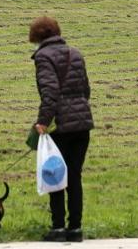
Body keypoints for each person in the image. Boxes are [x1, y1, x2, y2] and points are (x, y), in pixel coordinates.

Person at [29, 15, 93, 242]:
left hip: (61, 126)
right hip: (83, 124)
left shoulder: (43, 57)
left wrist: (43, 121)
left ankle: (57, 228)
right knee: (74, 177)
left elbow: (50, 92)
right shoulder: (75, 53)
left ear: (37, 36)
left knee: (55, 174)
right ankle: (75, 229)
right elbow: (86, 89)